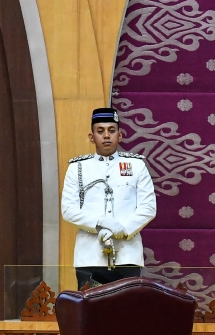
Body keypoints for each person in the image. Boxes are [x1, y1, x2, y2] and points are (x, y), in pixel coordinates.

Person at [60, 107, 156, 289]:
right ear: (91, 137)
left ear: (120, 135)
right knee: (92, 312)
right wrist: (101, 223)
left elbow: (148, 207)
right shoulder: (77, 168)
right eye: (100, 131)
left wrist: (122, 229)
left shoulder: (136, 166)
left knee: (126, 311)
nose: (106, 136)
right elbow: (68, 210)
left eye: (111, 131)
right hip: (89, 255)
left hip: (128, 255)